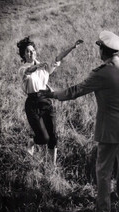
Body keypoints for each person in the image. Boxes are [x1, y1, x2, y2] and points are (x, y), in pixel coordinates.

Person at [40, 30, 119, 212]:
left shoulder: (101, 74)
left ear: (103, 50)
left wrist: (52, 94)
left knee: (103, 171)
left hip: (110, 129)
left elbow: (74, 91)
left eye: (99, 47)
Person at [17, 37, 81, 165]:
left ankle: (52, 167)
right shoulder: (23, 69)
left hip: (46, 100)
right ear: (23, 54)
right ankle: (32, 142)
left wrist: (72, 47)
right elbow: (29, 71)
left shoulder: (45, 66)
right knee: (43, 138)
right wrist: (36, 66)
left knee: (53, 137)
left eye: (33, 50)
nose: (31, 53)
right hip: (32, 103)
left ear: (36, 51)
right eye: (28, 51)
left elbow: (58, 58)